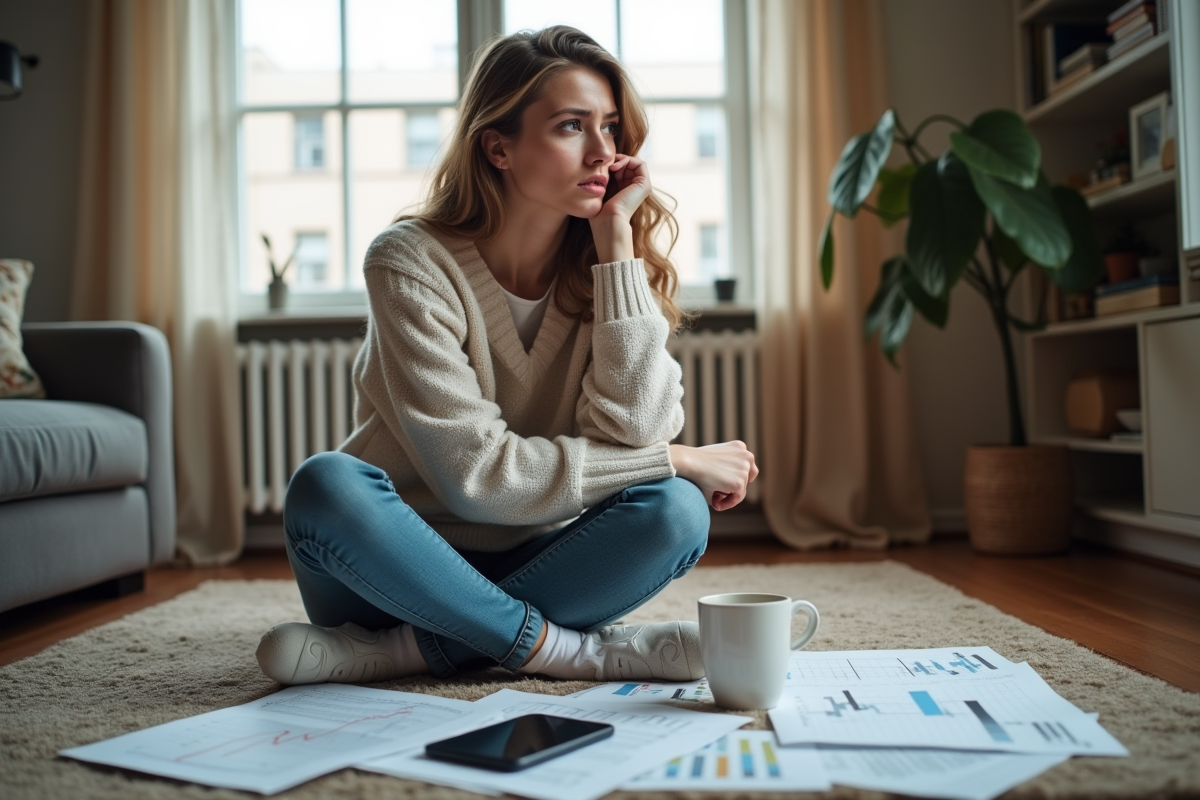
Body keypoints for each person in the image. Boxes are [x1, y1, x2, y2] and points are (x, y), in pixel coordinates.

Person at [255, 25, 758, 687]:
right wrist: (679, 458)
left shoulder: (608, 267)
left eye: (611, 126)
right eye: (572, 126)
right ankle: (571, 651)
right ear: (498, 147)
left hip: (541, 564)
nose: (605, 152)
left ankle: (405, 652)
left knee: (677, 510)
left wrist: (616, 250)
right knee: (324, 486)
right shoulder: (408, 261)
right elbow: (478, 479)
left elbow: (634, 433)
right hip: (390, 568)